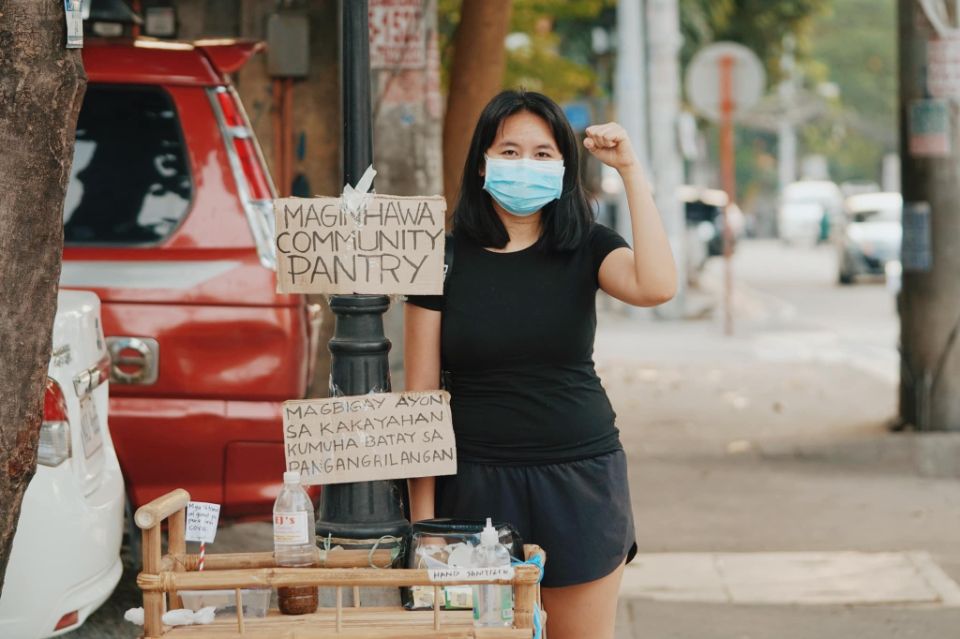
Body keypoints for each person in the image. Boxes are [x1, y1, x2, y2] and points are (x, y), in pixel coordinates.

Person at [404, 90, 677, 639]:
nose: (524, 164)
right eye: (508, 151)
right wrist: (425, 526)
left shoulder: (588, 247)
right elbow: (421, 399)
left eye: (542, 153)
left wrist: (629, 170)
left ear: (563, 167)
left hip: (580, 480)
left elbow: (657, 285)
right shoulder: (438, 257)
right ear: (482, 162)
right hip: (473, 489)